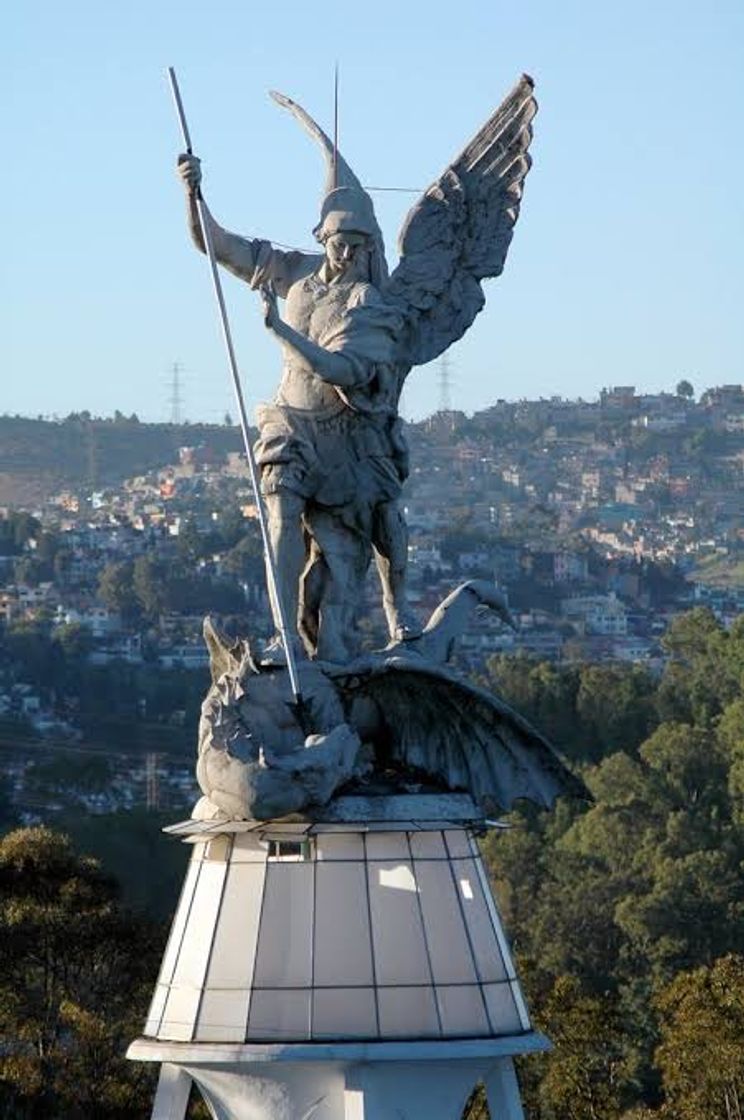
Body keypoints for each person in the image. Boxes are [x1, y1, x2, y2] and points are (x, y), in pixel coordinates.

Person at [177, 154, 419, 662]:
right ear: (321, 237)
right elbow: (216, 245)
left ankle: (389, 614)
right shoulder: (291, 271)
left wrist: (280, 332)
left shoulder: (368, 303)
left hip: (342, 438)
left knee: (368, 537)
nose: (348, 253)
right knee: (283, 520)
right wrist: (193, 193)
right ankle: (285, 634)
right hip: (288, 424)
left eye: (358, 245)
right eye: (339, 242)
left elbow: (343, 371)